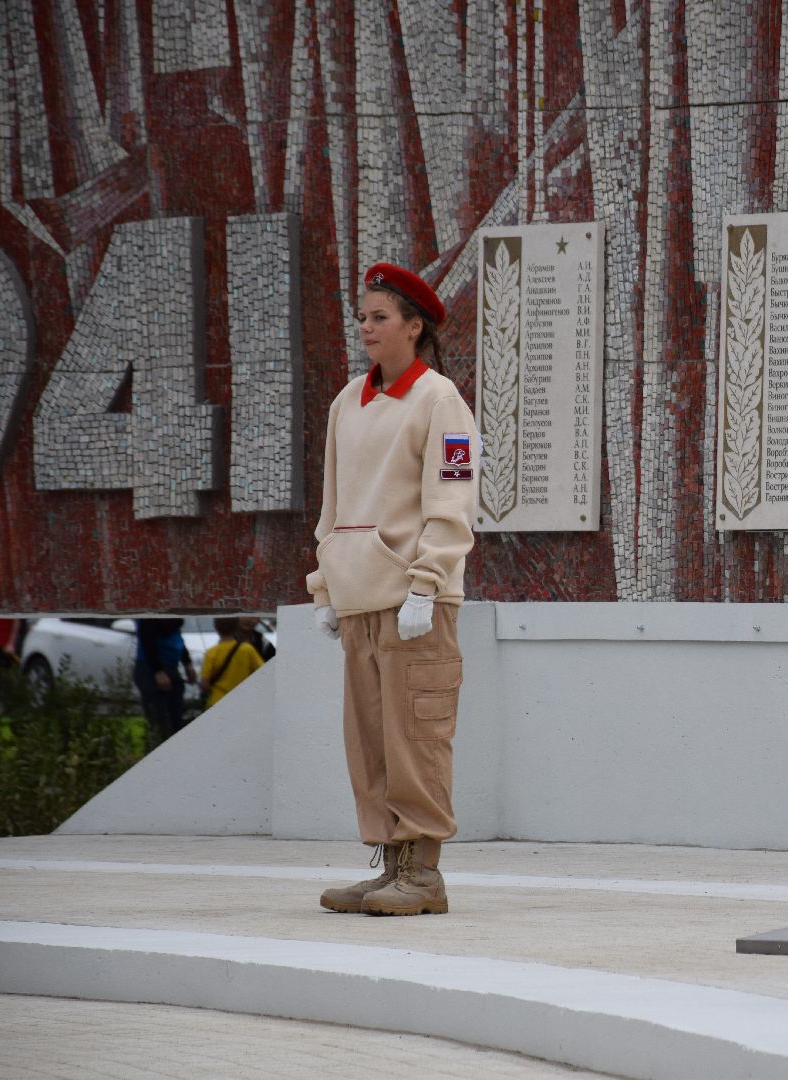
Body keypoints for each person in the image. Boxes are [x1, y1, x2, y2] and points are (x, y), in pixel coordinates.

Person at [309, 262, 477, 918]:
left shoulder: (440, 399)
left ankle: (423, 875)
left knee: (416, 737)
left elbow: (454, 491)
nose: (367, 327)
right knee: (371, 741)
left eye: (380, 317)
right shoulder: (346, 403)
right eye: (363, 316)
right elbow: (333, 503)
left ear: (415, 326)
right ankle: (387, 866)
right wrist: (326, 587)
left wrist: (428, 583)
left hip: (414, 599)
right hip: (359, 597)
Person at [135, 618, 196, 743]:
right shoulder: (150, 619)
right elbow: (147, 639)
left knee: (176, 722)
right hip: (151, 670)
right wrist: (158, 671)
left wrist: (187, 662)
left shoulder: (173, 620)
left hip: (171, 667)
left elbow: (178, 636)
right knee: (159, 723)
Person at [198, 617, 265, 708]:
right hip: (243, 701)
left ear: (216, 628)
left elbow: (204, 684)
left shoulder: (211, 653)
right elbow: (264, 673)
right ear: (236, 626)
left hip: (217, 701)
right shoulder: (247, 649)